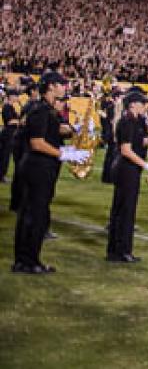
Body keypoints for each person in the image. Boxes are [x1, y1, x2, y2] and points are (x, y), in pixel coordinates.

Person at [12, 72, 87, 273]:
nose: (65, 87)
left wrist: (74, 132)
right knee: (34, 215)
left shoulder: (46, 110)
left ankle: (26, 260)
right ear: (52, 86)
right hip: (38, 166)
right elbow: (37, 142)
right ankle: (28, 261)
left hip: (40, 166)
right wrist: (62, 154)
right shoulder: (40, 110)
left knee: (32, 213)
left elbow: (55, 130)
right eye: (62, 84)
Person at [106, 90, 148, 263]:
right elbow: (126, 150)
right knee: (124, 211)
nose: (145, 106)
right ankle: (121, 251)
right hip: (126, 169)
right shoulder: (127, 121)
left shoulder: (135, 120)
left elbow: (138, 141)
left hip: (130, 169)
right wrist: (147, 165)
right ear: (133, 104)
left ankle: (118, 250)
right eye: (142, 103)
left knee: (124, 209)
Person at [0, 89, 20, 183]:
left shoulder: (10, 107)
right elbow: (10, 121)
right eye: (16, 95)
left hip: (10, 133)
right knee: (5, 156)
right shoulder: (7, 107)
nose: (17, 97)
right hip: (8, 134)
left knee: (5, 155)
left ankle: (2, 175)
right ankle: (1, 176)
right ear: (11, 96)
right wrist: (20, 122)